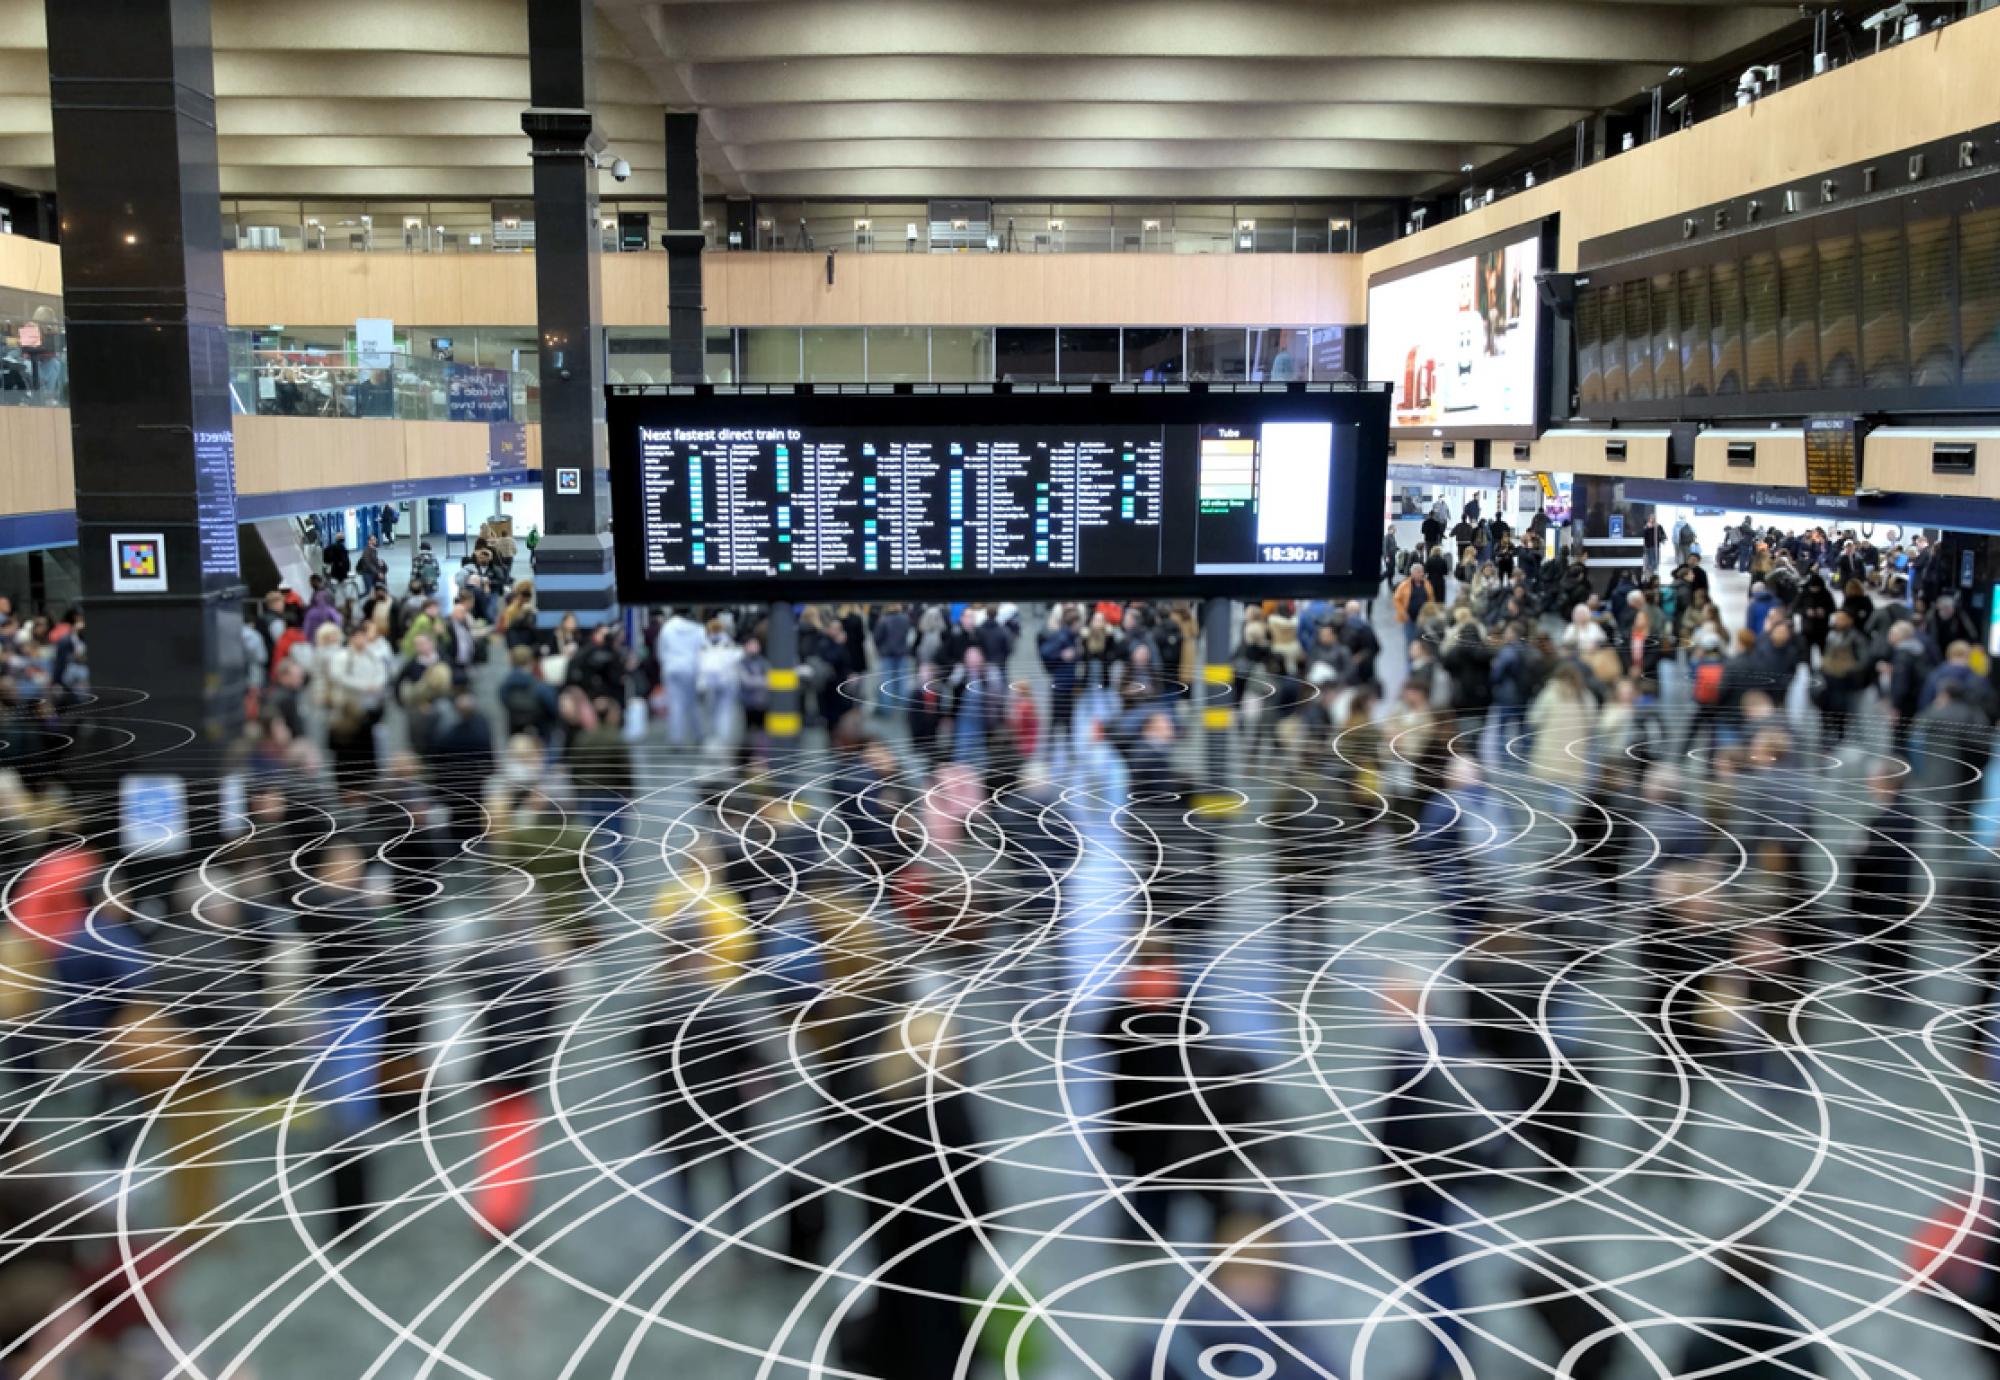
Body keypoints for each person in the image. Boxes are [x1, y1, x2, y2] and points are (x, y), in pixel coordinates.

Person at [656, 607, 704, 745]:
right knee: (693, 703)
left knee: (675, 704)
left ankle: (676, 738)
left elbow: (660, 650)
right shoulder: (697, 629)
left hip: (671, 668)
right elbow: (702, 651)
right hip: (691, 669)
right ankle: (698, 735)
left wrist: (665, 664)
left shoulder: (667, 628)